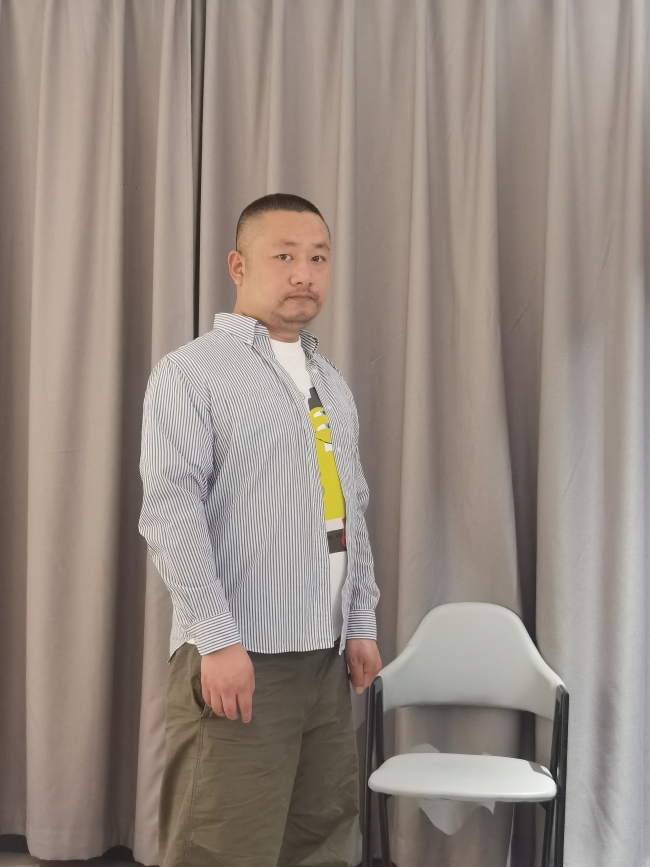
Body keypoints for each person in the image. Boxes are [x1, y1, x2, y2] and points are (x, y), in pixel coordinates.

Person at [138, 192, 382, 867]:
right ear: (239, 266)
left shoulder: (332, 385)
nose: (304, 273)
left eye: (319, 258)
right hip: (242, 656)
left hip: (325, 660)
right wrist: (218, 639)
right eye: (285, 256)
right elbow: (172, 511)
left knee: (322, 841)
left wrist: (361, 621)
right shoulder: (192, 374)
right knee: (223, 847)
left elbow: (349, 508)